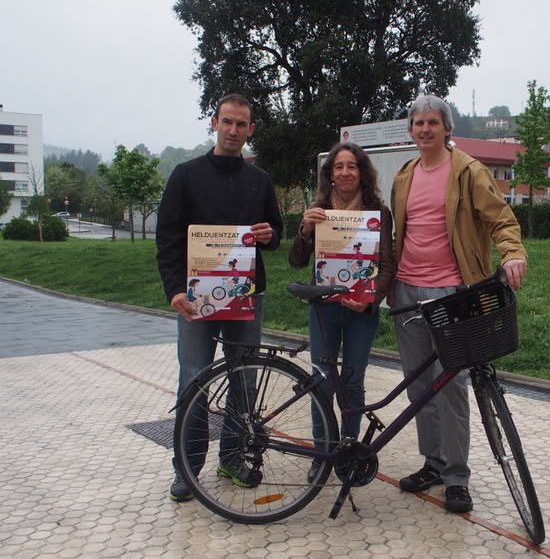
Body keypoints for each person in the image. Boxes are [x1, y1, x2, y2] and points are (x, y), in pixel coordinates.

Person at [390, 95, 527, 513]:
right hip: (406, 291)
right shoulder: (405, 174)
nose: (426, 129)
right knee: (419, 386)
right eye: (419, 123)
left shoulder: (468, 170)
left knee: (451, 385)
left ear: (447, 129)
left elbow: (500, 217)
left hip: (453, 292)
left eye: (434, 122)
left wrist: (513, 252)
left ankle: (456, 477)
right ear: (411, 130)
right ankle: (432, 463)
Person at [156, 93, 283, 502]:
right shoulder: (186, 175)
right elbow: (169, 236)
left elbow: (275, 234)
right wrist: (174, 287)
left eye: (241, 124)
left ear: (251, 130)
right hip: (196, 299)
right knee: (193, 380)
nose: (233, 130)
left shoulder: (259, 179)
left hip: (246, 297)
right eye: (226, 122)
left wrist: (268, 236)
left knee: (244, 381)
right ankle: (187, 469)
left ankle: (232, 457)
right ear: (214, 123)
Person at [288, 141, 394, 481]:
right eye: (338, 166)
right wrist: (305, 228)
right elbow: (296, 261)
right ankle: (322, 453)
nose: (345, 172)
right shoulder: (318, 209)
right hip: (325, 310)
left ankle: (348, 451)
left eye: (352, 166)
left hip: (361, 308)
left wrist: (371, 300)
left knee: (353, 380)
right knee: (321, 382)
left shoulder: (378, 212)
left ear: (362, 172)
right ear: (329, 174)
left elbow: (388, 266)